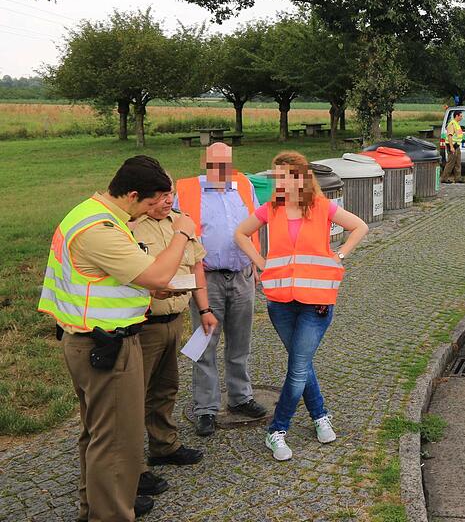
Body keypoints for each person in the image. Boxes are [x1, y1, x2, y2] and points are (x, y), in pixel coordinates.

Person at [38, 155, 195, 522]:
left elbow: (108, 277)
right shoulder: (99, 228)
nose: (157, 209)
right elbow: (157, 274)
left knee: (98, 434)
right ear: (134, 194)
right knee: (116, 442)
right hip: (104, 346)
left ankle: (94, 507)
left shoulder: (93, 214)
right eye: (153, 203)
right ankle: (108, 514)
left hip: (92, 338)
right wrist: (182, 233)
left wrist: (143, 293)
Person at [232, 151, 369, 462]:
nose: (281, 182)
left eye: (287, 176)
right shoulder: (271, 209)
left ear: (302, 177)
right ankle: (320, 414)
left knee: (296, 369)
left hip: (316, 302)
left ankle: (276, 430)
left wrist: (340, 255)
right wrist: (260, 262)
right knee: (301, 363)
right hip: (280, 302)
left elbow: (360, 227)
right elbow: (240, 233)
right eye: (277, 176)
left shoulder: (321, 207)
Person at [174, 142, 265, 437]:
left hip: (241, 276)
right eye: (215, 165)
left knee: (241, 343)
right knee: (205, 345)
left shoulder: (243, 186)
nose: (221, 171)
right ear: (204, 163)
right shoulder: (187, 192)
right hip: (207, 279)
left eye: (226, 164)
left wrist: (256, 265)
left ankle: (240, 397)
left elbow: (256, 226)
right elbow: (175, 235)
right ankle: (205, 409)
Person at [131, 187, 217, 497]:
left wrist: (205, 309)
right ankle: (135, 468)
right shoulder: (130, 225)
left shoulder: (182, 222)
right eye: (161, 194)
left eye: (172, 193)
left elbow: (196, 268)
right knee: (133, 397)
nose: (168, 200)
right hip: (143, 325)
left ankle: (163, 446)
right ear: (143, 195)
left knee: (166, 387)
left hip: (174, 320)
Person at [442, 110, 465, 184]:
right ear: (457, 116)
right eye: (461, 116)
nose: (462, 117)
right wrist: (451, 147)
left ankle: (458, 178)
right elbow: (450, 136)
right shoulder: (452, 124)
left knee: (458, 162)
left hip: (457, 146)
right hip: (452, 146)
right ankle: (444, 178)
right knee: (450, 163)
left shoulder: (457, 124)